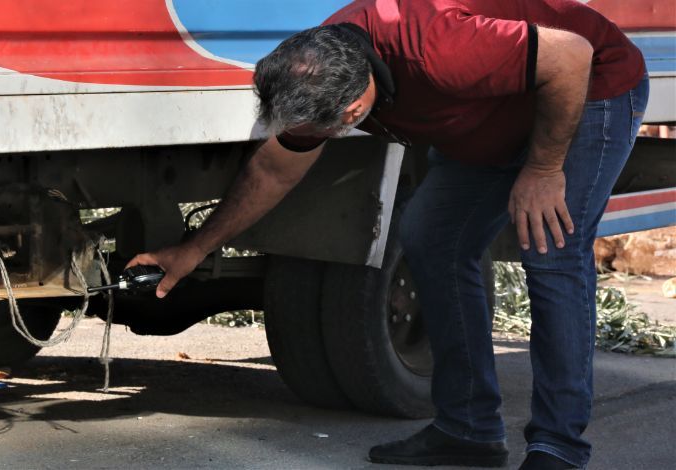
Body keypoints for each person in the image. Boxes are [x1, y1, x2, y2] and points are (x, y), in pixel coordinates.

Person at [127, 0, 648, 468]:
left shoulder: (438, 48)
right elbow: (273, 170)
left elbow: (571, 55)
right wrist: (193, 250)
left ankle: (557, 446)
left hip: (589, 87)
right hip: (492, 114)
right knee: (430, 240)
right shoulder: (315, 64)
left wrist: (541, 170)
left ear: (353, 109)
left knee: (550, 248)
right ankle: (467, 430)